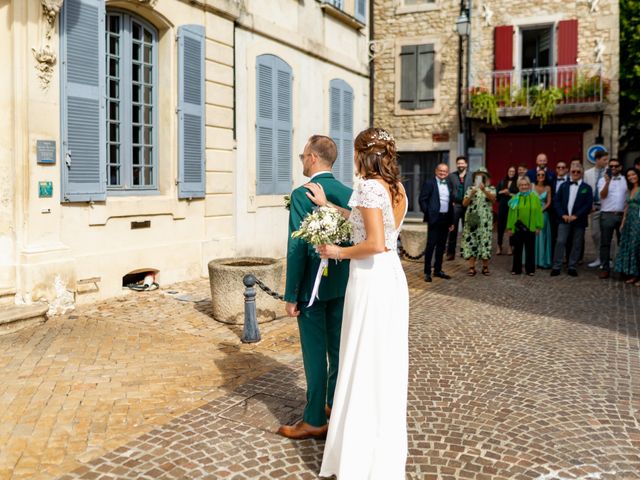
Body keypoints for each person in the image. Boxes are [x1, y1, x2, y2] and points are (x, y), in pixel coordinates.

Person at [305, 127, 409, 479]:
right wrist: (328, 206)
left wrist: (338, 251)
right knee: (382, 362)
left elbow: (374, 241)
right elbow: (372, 226)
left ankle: (357, 458)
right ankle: (379, 451)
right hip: (391, 277)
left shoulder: (367, 186)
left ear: (362, 154)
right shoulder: (396, 188)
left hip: (369, 277)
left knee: (362, 358)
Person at [279, 135, 353, 440]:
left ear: (312, 158)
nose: (302, 161)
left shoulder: (303, 193)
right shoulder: (349, 193)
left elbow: (297, 247)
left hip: (313, 286)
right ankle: (333, 406)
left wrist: (291, 294)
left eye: (302, 156)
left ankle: (313, 419)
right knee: (337, 349)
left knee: (314, 352)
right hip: (344, 282)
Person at [551, 164, 594, 277]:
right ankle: (557, 266)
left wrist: (576, 215)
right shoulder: (564, 186)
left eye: (578, 172)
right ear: (569, 172)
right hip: (563, 219)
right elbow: (556, 201)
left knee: (576, 243)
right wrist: (562, 215)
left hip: (579, 221)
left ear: (582, 173)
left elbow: (588, 205)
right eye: (573, 171)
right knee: (560, 241)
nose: (575, 174)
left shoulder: (587, 188)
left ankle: (572, 266)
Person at [419, 163, 454, 282]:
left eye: (445, 171)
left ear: (448, 173)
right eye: (440, 171)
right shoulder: (429, 183)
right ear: (436, 171)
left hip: (445, 218)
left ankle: (438, 270)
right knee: (431, 245)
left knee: (441, 246)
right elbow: (422, 200)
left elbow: (450, 203)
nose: (442, 173)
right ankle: (427, 272)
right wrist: (428, 213)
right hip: (434, 218)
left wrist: (451, 221)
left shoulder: (449, 183)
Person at [461, 167, 496, 276]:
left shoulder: (491, 188)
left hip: (485, 219)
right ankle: (472, 267)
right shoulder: (470, 188)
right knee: (471, 241)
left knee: (485, 242)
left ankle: (485, 267)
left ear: (486, 178)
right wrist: (472, 193)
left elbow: (494, 200)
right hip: (472, 217)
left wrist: (484, 190)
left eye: (482, 176)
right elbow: (464, 203)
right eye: (478, 176)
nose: (480, 178)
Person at [597, 158, 627, 279]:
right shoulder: (602, 180)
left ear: (620, 167)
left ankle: (623, 269)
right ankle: (605, 269)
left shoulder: (626, 180)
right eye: (611, 166)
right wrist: (607, 182)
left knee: (623, 243)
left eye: (616, 166)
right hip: (607, 215)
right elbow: (602, 195)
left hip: (622, 216)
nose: (613, 168)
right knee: (605, 243)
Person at [507, 176, 544, 275]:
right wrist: (510, 228)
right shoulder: (515, 198)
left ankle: (530, 270)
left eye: (526, 185)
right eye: (521, 185)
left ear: (529, 185)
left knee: (530, 250)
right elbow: (511, 214)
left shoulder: (534, 198)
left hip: (531, 227)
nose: (524, 187)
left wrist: (538, 226)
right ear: (518, 186)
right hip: (518, 228)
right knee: (517, 249)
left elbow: (538, 213)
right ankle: (516, 269)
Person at [614, 168, 640, 284]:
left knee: (637, 248)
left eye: (633, 174)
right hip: (630, 222)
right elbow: (627, 207)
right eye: (629, 176)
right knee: (631, 248)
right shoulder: (630, 190)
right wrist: (623, 222)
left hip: (638, 222)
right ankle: (634, 274)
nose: (631, 177)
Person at [583, 150, 609, 268]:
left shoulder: (609, 172)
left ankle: (607, 259)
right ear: (597, 160)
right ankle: (599, 258)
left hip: (607, 207)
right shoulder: (587, 173)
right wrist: (588, 206)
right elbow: (585, 191)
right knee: (594, 234)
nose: (606, 162)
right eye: (604, 160)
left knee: (607, 234)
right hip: (594, 208)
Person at [446, 156, 472, 260]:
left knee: (467, 230)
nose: (460, 165)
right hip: (455, 205)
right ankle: (450, 253)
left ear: (466, 164)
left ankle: (465, 252)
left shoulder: (472, 175)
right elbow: (448, 190)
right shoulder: (451, 176)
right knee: (453, 230)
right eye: (459, 163)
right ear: (457, 165)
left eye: (462, 163)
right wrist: (450, 202)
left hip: (468, 205)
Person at [496, 166, 518, 255]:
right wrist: (502, 191)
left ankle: (510, 246)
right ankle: (499, 245)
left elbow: (518, 196)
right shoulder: (502, 182)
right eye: (510, 171)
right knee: (500, 227)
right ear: (507, 172)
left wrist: (509, 193)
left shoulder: (517, 183)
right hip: (502, 206)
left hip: (512, 206)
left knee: (511, 226)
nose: (511, 173)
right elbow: (496, 193)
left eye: (513, 171)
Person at [533, 170, 553, 268]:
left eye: (542, 175)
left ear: (545, 176)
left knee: (543, 235)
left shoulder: (548, 188)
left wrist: (541, 210)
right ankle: (534, 260)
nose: (540, 176)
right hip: (533, 213)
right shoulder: (532, 186)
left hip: (543, 213)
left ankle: (542, 260)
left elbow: (549, 202)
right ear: (536, 176)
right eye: (538, 175)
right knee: (534, 236)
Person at [550, 160, 570, 256]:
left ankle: (568, 258)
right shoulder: (551, 181)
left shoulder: (571, 181)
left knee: (568, 237)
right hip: (553, 213)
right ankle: (554, 257)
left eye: (563, 167)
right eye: (558, 167)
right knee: (554, 236)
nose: (561, 169)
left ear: (567, 169)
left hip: (567, 213)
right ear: (556, 169)